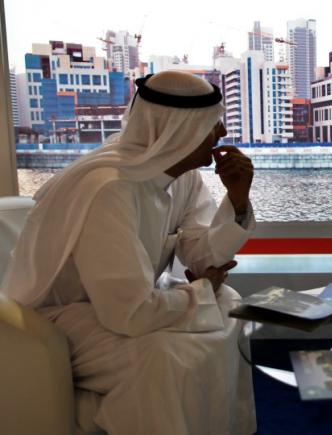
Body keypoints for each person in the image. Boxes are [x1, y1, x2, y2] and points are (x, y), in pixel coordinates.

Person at [1, 71, 256, 435]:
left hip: (123, 304)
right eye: (212, 124)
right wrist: (200, 289)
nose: (222, 134)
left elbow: (203, 257)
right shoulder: (110, 189)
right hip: (60, 319)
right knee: (162, 357)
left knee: (229, 304)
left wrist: (238, 198)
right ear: (179, 129)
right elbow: (130, 314)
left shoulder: (182, 176)